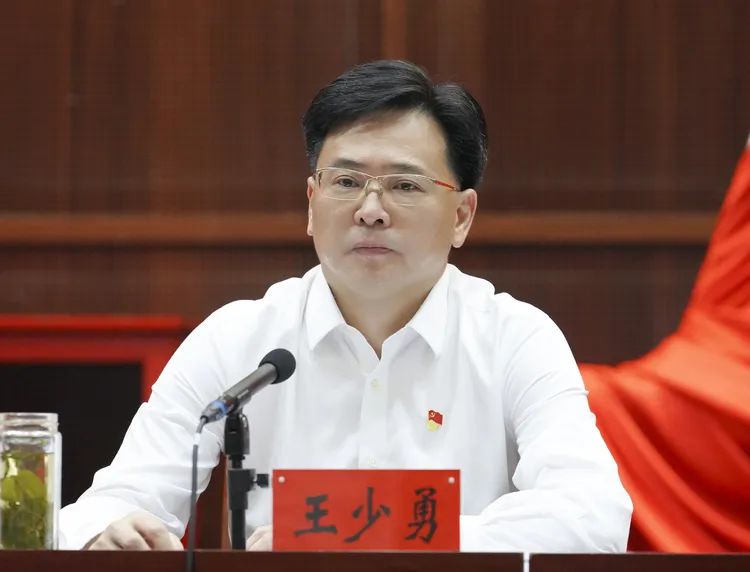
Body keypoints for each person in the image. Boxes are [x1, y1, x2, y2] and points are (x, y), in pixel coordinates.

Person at [59, 60, 632, 552]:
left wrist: (368, 534)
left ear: (461, 216)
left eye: (405, 186)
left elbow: (592, 515)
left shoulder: (515, 338)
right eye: (346, 182)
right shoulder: (238, 341)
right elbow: (115, 502)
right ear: (312, 204)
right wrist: (107, 533)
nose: (371, 210)